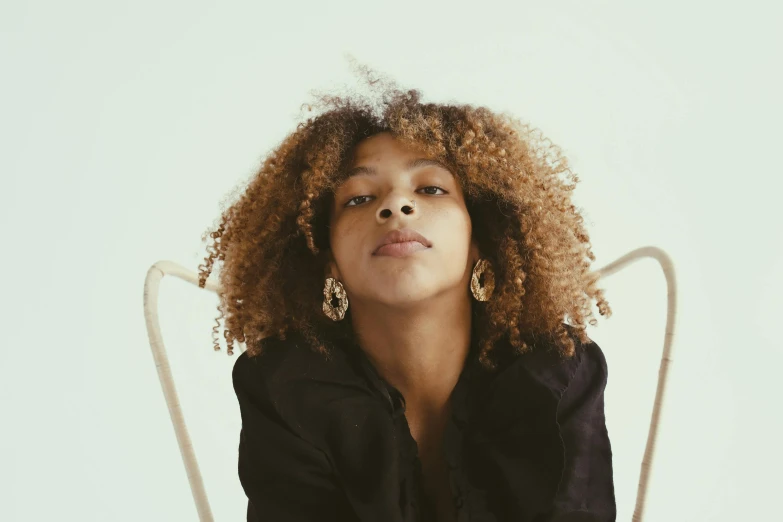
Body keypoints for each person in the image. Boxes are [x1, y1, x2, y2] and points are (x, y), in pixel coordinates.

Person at [198, 64, 616, 522]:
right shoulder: (283, 384)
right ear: (328, 258)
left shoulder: (556, 369)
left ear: (480, 240)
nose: (396, 206)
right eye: (358, 198)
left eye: (431, 188)